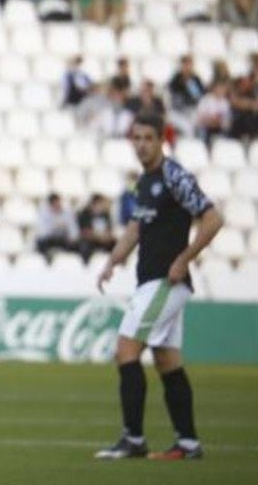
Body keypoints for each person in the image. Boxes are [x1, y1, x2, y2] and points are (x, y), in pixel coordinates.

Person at [95, 113, 225, 461]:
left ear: (161, 139)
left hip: (165, 282)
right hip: (152, 282)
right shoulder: (145, 180)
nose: (141, 144)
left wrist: (184, 259)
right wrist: (113, 260)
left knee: (125, 350)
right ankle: (188, 444)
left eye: (147, 137)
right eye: (135, 138)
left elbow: (213, 219)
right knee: (167, 360)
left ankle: (133, 439)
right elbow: (137, 227)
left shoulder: (173, 174)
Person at [34, 192, 79, 262]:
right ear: (50, 204)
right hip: (50, 239)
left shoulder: (67, 213)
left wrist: (72, 237)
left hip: (63, 239)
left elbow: (73, 229)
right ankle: (48, 259)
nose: (58, 205)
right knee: (41, 242)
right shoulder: (44, 214)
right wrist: (54, 226)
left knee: (77, 244)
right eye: (55, 203)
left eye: (58, 203)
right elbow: (43, 232)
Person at [76, 193, 116, 263]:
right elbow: (84, 232)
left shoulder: (106, 215)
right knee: (85, 246)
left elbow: (110, 231)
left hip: (103, 240)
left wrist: (105, 236)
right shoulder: (84, 214)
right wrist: (97, 236)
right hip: (90, 241)